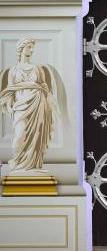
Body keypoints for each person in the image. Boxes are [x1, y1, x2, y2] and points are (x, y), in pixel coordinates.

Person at [0, 38, 65, 172]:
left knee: (37, 135)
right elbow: (10, 90)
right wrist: (9, 103)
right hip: (20, 106)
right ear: (21, 49)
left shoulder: (37, 68)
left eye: (32, 47)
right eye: (29, 47)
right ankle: (19, 163)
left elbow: (44, 85)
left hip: (37, 103)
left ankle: (33, 166)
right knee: (20, 135)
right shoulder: (13, 70)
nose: (32, 50)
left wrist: (48, 100)